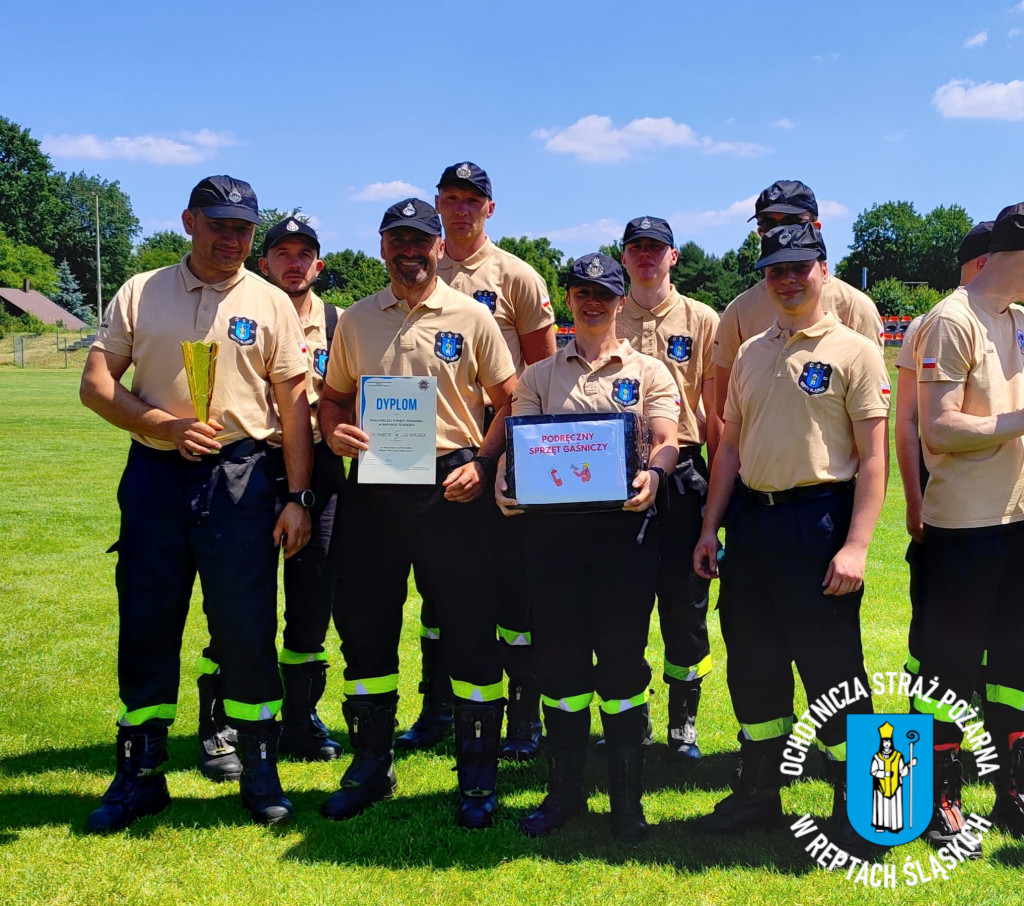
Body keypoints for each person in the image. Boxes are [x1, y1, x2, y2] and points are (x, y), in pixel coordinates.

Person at [79, 175, 313, 830]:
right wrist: (162, 425)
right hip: (156, 474)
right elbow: (97, 385)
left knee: (244, 625)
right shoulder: (141, 291)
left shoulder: (270, 303)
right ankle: (139, 774)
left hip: (241, 476)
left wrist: (297, 496)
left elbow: (294, 407)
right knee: (149, 621)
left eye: (243, 229)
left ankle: (258, 768)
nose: (232, 239)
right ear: (189, 221)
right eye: (219, 225)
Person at [318, 198, 516, 828]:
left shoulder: (470, 316)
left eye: (421, 240)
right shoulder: (354, 320)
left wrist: (483, 465)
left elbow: (511, 401)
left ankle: (478, 775)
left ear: (438, 246)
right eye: (397, 240)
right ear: (382, 247)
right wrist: (334, 433)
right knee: (366, 626)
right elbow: (332, 399)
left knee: (470, 629)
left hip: (451, 485)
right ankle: (370, 765)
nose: (410, 250)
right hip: (375, 487)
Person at [692, 223, 889, 854]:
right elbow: (727, 452)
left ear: (823, 270)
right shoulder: (751, 352)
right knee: (753, 662)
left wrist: (856, 546)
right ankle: (758, 791)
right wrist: (708, 528)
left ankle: (864, 804)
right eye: (775, 269)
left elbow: (874, 458)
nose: (786, 279)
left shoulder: (855, 349)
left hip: (819, 520)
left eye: (799, 267)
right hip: (753, 522)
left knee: (833, 668)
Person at [497, 252, 680, 841]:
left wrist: (654, 473)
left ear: (620, 302)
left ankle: (627, 802)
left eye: (604, 292)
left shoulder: (650, 371)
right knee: (561, 667)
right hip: (552, 542)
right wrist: (506, 475)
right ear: (569, 300)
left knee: (624, 664)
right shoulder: (539, 375)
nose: (593, 301)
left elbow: (667, 436)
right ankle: (564, 793)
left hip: (624, 540)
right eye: (582, 292)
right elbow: (517, 444)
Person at [395, 161, 556, 760]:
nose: (460, 209)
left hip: (502, 457)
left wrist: (513, 462)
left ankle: (523, 712)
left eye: (472, 199)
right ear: (437, 203)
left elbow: (540, 377)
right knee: (440, 591)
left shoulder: (515, 275)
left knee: (513, 590)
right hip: (425, 454)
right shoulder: (415, 266)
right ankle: (436, 704)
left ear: (491, 208)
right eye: (451, 198)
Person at [194, 217, 344, 780]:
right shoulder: (237, 312)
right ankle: (223, 722)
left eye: (305, 253)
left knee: (312, 598)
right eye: (283, 252)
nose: (294, 263)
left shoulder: (339, 322)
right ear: (265, 262)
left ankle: (300, 717)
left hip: (321, 469)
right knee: (236, 596)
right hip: (251, 464)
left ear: (319, 266)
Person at [911, 203, 1024, 856]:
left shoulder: (1016, 320)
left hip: (1016, 522)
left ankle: (1013, 787)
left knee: (1013, 666)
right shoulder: (950, 320)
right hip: (964, 529)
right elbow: (939, 430)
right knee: (948, 670)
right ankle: (937, 797)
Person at [617, 215, 720, 762]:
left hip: (683, 471)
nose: (646, 257)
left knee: (685, 603)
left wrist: (715, 507)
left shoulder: (702, 319)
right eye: (636, 248)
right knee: (625, 598)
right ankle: (632, 714)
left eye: (656, 248)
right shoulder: (607, 310)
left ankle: (684, 723)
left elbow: (717, 411)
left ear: (673, 256)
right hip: (618, 472)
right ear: (624, 255)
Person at [895, 220, 992, 678]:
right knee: (936, 628)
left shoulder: (1010, 322)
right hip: (948, 504)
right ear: (981, 263)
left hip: (1001, 510)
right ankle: (928, 733)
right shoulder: (932, 323)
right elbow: (910, 422)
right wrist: (915, 502)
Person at [713, 179, 883, 422]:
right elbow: (726, 412)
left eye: (793, 222)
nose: (778, 233)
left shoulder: (855, 307)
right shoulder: (739, 310)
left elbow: (871, 409)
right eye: (768, 224)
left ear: (817, 227)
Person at [870, 722, 914, 834]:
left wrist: (909, 765)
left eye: (888, 741)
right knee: (881, 807)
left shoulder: (898, 756)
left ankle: (894, 826)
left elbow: (902, 772)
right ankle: (880, 825)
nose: (886, 744)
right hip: (880, 787)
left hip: (895, 787)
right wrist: (884, 774)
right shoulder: (877, 757)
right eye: (884, 741)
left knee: (894, 808)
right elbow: (873, 771)